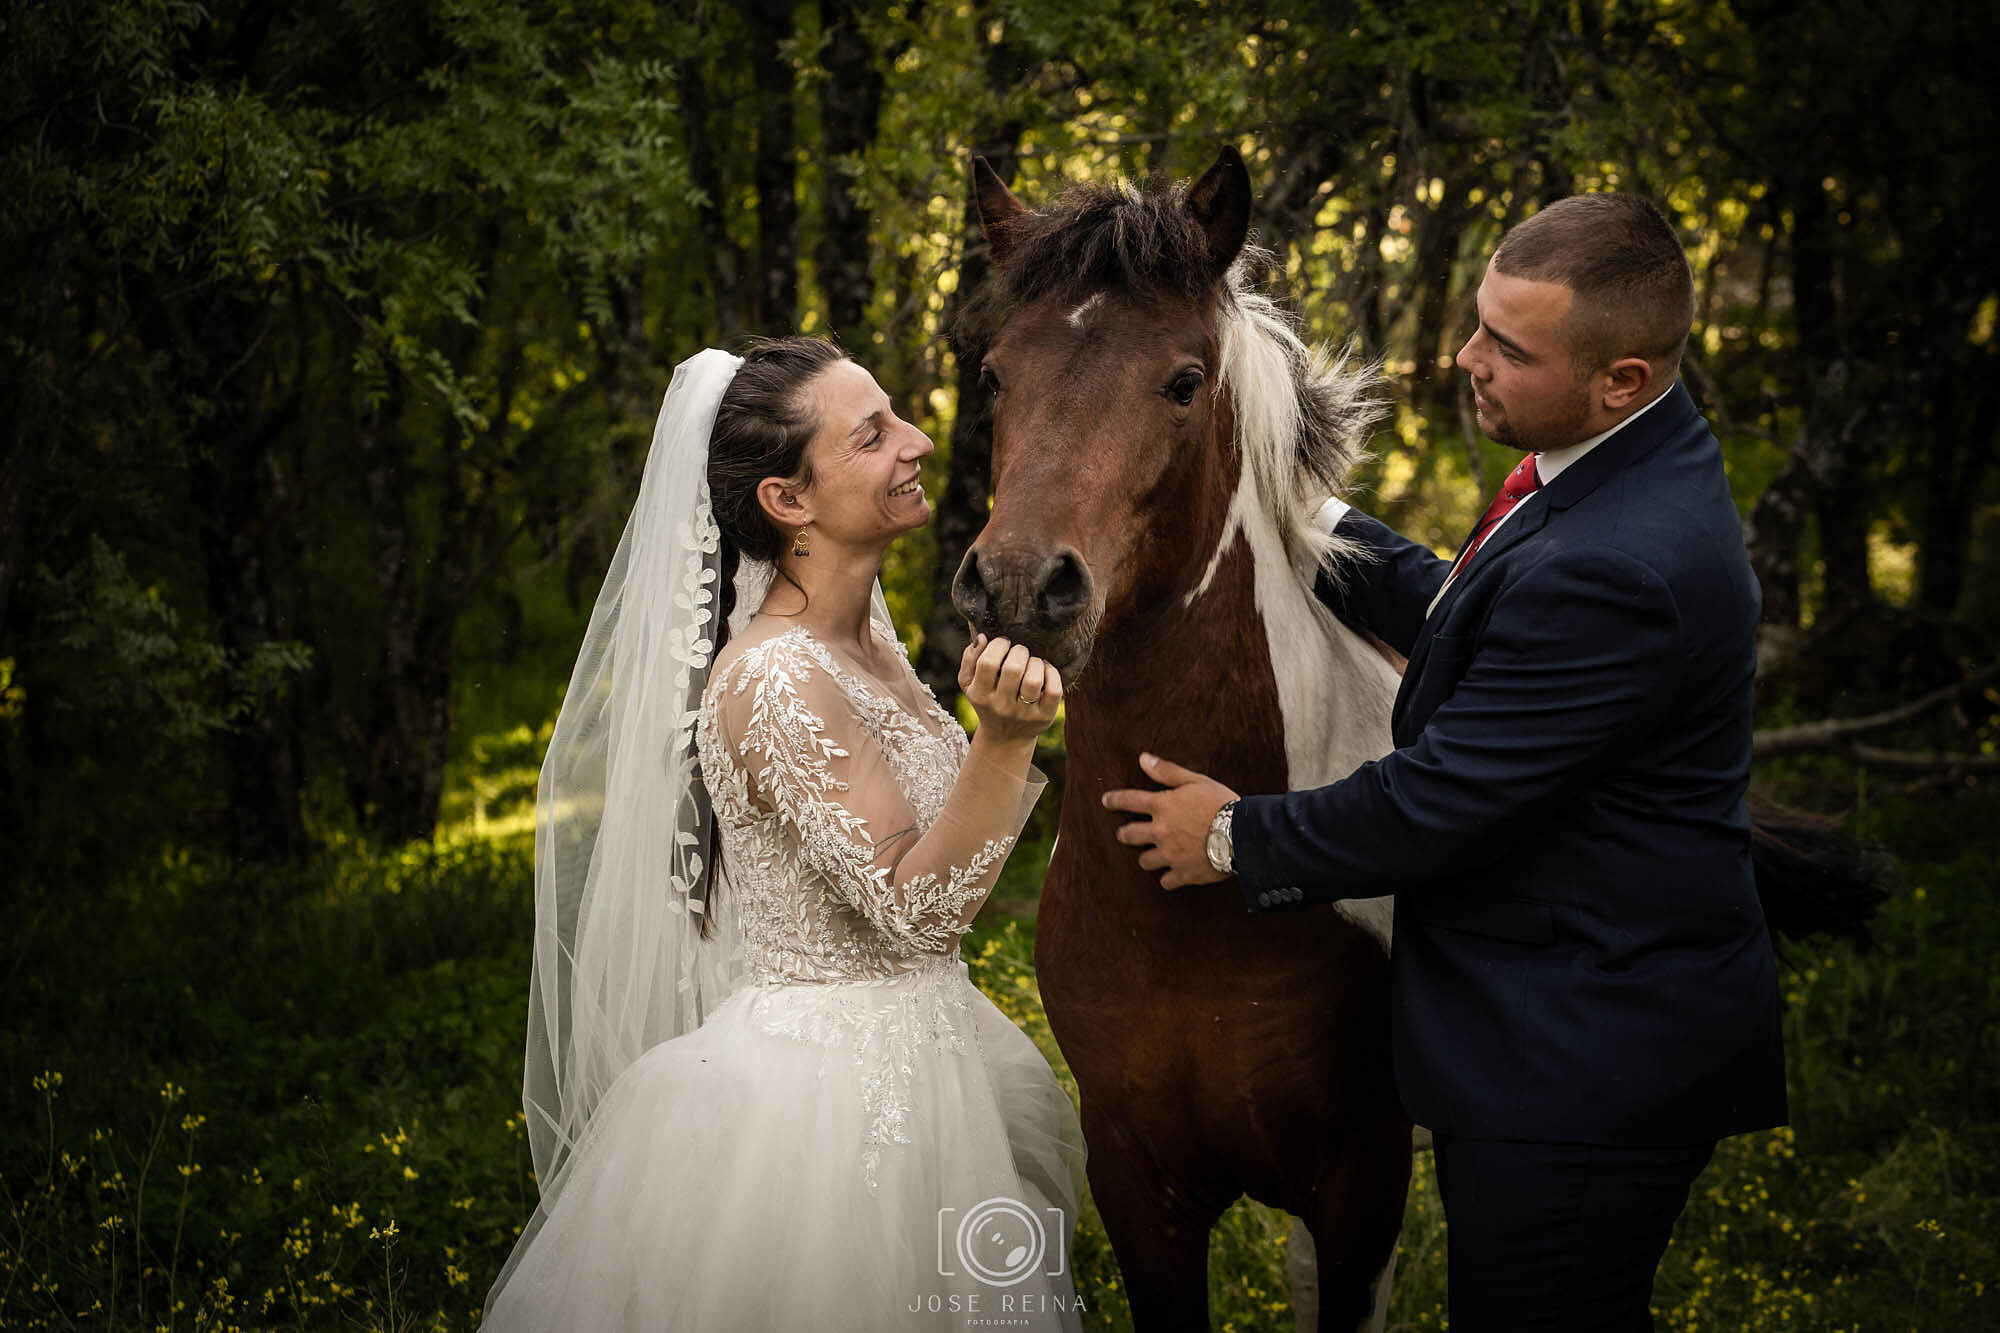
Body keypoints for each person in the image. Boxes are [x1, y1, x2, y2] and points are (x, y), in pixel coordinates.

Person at [1101, 194, 1786, 1329]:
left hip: (1578, 1067)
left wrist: (1230, 834)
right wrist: (1295, 501)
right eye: (1477, 324)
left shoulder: (1621, 562)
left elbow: (1439, 802)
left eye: (1508, 349)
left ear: (1619, 376)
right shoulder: (1612, 465)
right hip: (1579, 1030)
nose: (1466, 358)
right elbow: (1474, 614)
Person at [485, 339, 1084, 1330]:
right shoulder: (775, 680)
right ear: (787, 501)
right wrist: (1007, 739)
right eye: (873, 433)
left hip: (935, 1058)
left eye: (897, 418)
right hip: (824, 1122)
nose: (920, 441)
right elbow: (916, 908)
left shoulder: (867, 647)